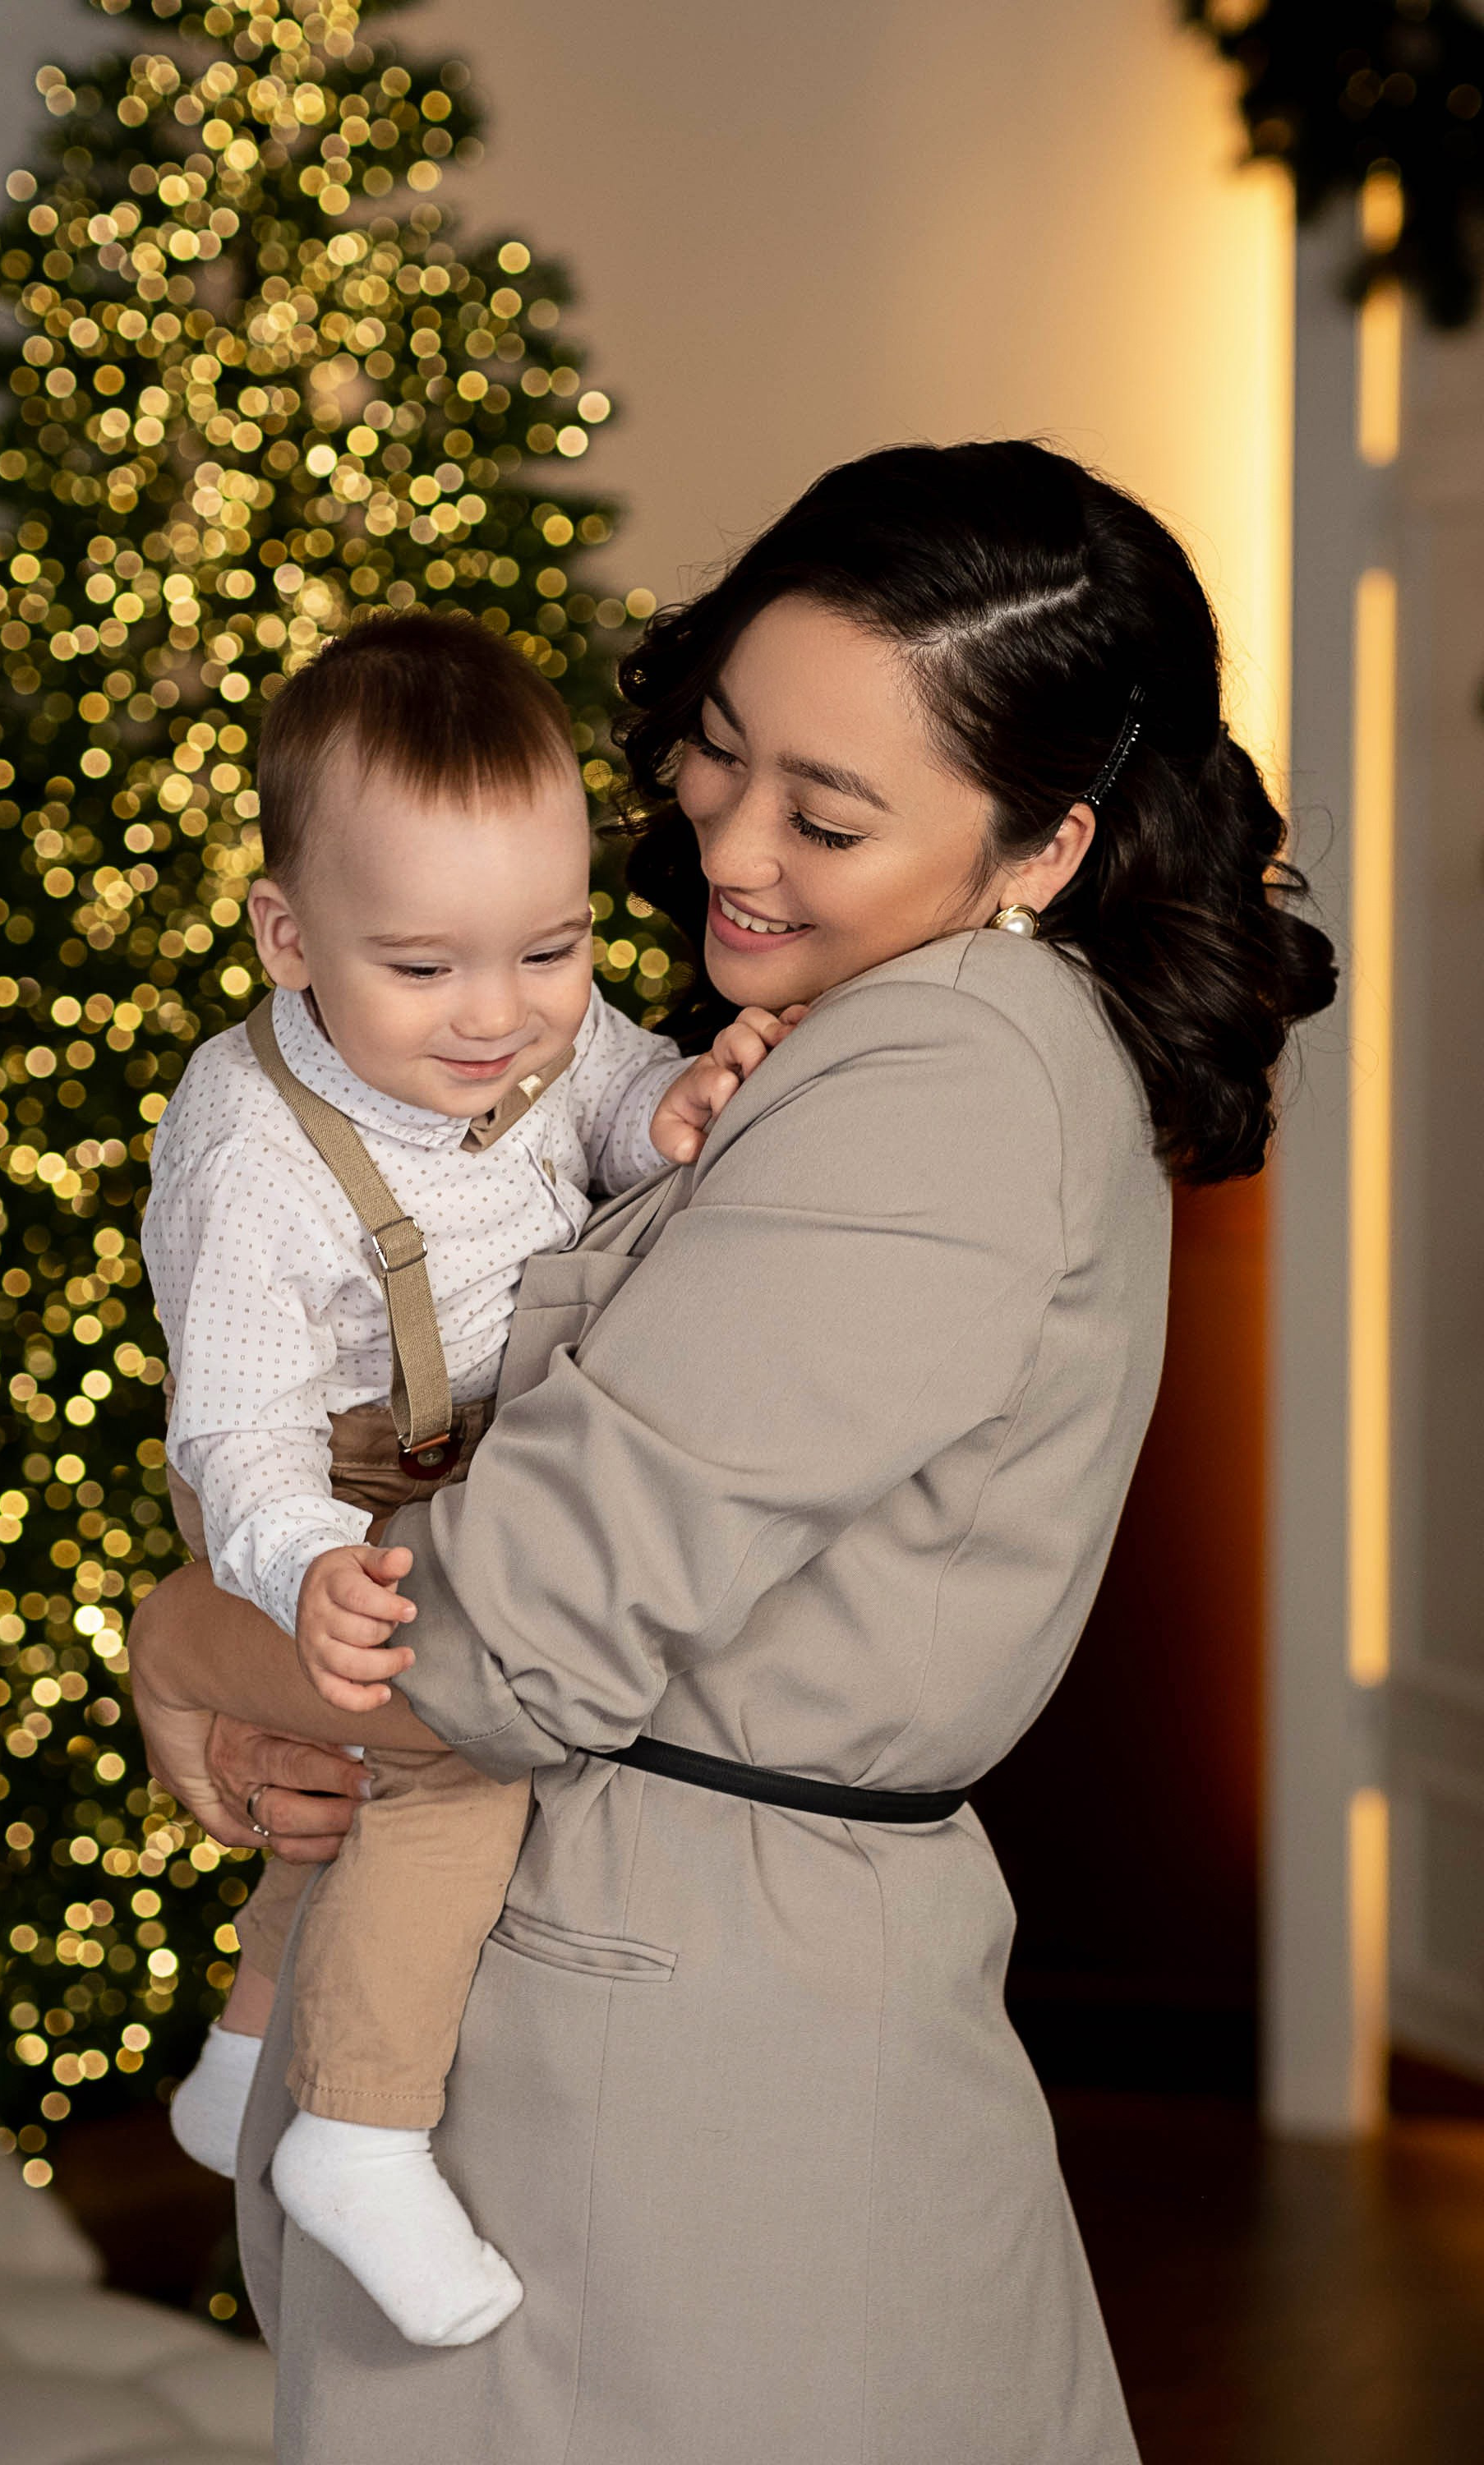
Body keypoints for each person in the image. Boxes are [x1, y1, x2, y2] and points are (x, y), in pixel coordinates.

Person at [131, 440, 1335, 2465]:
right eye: (718, 753)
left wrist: (184, 1642)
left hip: (674, 2069)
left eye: (828, 811)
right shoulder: (831, 1045)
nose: (731, 848)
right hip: (659, 1990)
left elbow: (509, 1644)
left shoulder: (940, 1082)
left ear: (1045, 843)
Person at [143, 611, 800, 2348]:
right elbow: (233, 1427)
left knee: (355, 1776)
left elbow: (600, 1102)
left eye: (553, 951)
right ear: (287, 936)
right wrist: (300, 1568)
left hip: (456, 1465)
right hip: (302, 1481)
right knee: (443, 1752)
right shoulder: (250, 1150)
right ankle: (355, 2132)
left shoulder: (537, 1027)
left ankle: (240, 2060)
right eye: (424, 968)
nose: (497, 1019)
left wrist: (669, 1107)